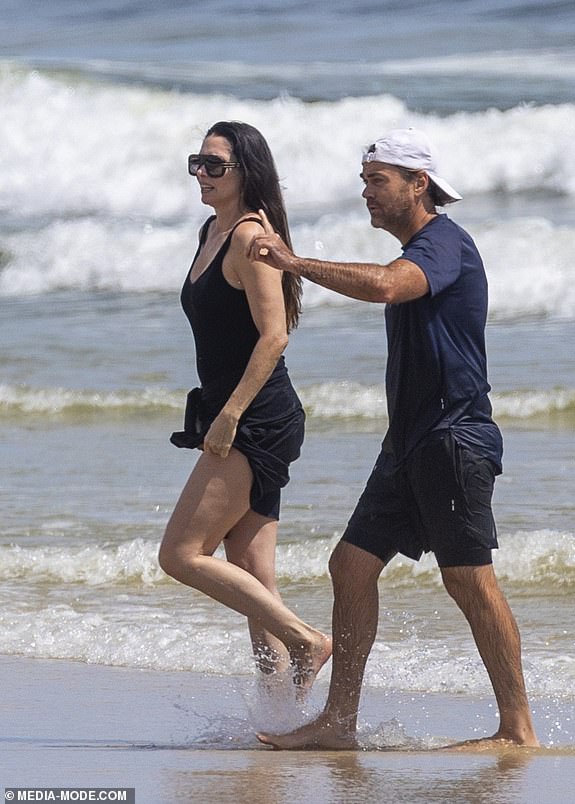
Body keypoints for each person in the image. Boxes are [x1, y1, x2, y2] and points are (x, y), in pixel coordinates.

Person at [248, 128, 539, 748]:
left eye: (377, 181)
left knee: (468, 578)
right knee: (350, 566)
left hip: (454, 437)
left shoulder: (443, 244)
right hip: (409, 442)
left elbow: (385, 284)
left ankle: (517, 729)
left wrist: (294, 262)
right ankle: (338, 723)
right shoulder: (422, 247)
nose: (367, 194)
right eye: (364, 182)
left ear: (419, 184)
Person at [159, 121, 331, 691]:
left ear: (246, 172)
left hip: (255, 418)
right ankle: (281, 707)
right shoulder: (212, 229)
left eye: (215, 165)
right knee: (254, 572)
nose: (202, 175)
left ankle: (308, 640)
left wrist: (230, 414)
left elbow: (275, 335)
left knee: (181, 555)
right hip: (235, 412)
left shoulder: (249, 238)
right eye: (197, 163)